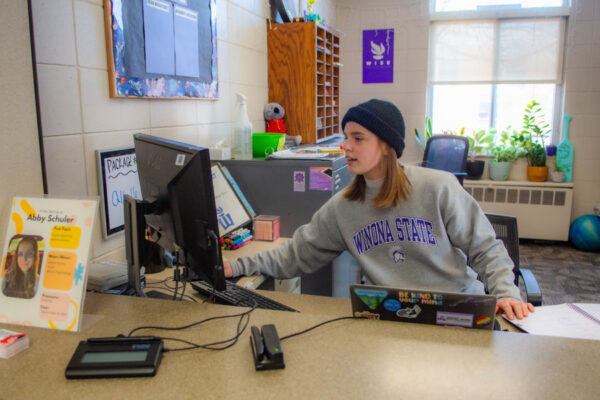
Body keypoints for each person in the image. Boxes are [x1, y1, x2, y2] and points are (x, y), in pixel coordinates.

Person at [224, 99, 534, 320]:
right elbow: (295, 255)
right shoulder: (343, 208)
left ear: (386, 145)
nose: (346, 146)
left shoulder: (438, 187)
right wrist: (235, 267)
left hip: (455, 310)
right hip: (390, 316)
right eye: (346, 137)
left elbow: (486, 248)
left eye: (358, 138)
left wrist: (506, 291)